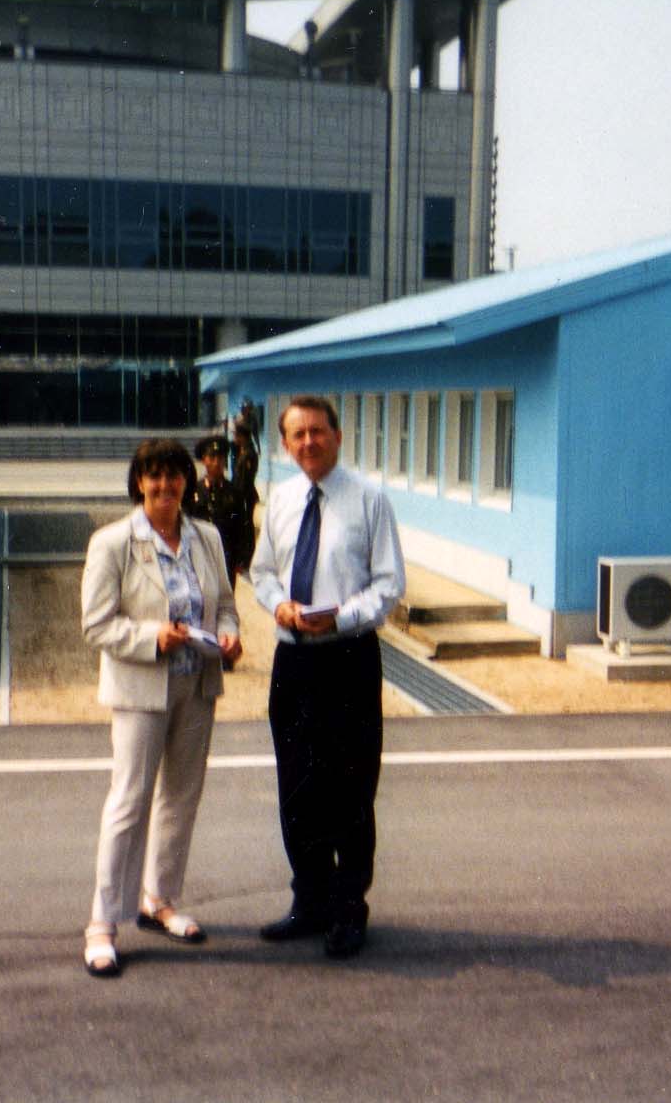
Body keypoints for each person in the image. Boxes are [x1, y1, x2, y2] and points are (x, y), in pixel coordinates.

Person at [80, 439, 244, 978]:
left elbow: (223, 604)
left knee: (181, 797)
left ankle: (160, 899)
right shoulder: (112, 543)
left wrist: (228, 636)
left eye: (175, 478)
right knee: (129, 801)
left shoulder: (208, 537)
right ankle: (102, 924)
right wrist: (156, 637)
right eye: (154, 478)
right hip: (141, 688)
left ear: (186, 483)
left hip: (196, 684)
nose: (165, 487)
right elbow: (97, 624)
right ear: (138, 483)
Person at [248, 395, 405, 959]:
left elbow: (389, 585)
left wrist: (341, 615)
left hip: (347, 659)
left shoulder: (369, 500)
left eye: (318, 431)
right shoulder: (282, 501)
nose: (309, 442)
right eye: (298, 435)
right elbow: (261, 572)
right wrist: (279, 606)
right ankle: (309, 899)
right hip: (294, 662)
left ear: (337, 437)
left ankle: (348, 908)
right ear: (286, 445)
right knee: (297, 786)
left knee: (350, 788)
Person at [186, 434, 249, 584]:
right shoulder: (193, 491)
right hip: (200, 553)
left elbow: (243, 525)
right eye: (212, 457)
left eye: (221, 458)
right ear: (204, 460)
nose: (216, 462)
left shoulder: (234, 491)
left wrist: (242, 558)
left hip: (226, 555)